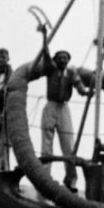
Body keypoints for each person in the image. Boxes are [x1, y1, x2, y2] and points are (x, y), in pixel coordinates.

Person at [39, 45, 91, 192]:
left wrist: (85, 92)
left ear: (68, 60)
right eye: (60, 57)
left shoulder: (71, 72)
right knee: (46, 145)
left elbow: (78, 84)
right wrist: (44, 36)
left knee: (68, 145)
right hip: (50, 106)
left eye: (65, 57)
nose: (63, 60)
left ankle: (71, 180)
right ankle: (44, 179)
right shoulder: (51, 69)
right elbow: (46, 55)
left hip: (63, 108)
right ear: (56, 60)